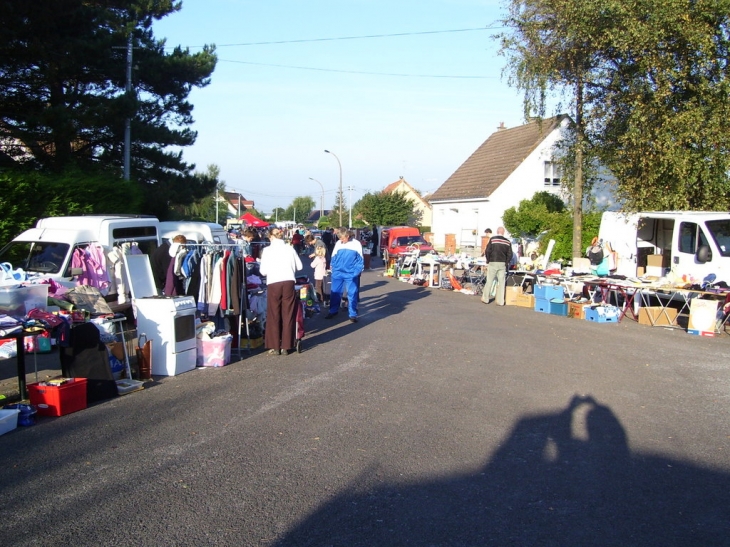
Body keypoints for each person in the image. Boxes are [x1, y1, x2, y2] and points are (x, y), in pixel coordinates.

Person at [259, 227, 302, 355]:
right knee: (288, 313)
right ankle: (286, 346)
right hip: (288, 281)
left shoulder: (267, 250)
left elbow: (263, 271)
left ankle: (275, 345)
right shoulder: (290, 249)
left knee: (274, 313)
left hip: (273, 282)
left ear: (271, 237)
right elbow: (299, 266)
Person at [325, 227, 364, 323]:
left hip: (350, 273)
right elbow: (334, 256)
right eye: (340, 239)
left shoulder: (356, 244)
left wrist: (356, 272)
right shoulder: (338, 243)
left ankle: (353, 314)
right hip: (337, 272)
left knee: (352, 293)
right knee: (335, 292)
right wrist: (332, 268)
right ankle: (333, 310)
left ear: (347, 236)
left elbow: (360, 260)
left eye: (342, 238)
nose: (341, 241)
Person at [482, 226, 513, 306]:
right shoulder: (507, 242)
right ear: (503, 232)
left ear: (497, 231)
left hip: (493, 262)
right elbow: (510, 254)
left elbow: (487, 251)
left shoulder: (493, 239)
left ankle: (485, 298)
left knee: (489, 281)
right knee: (501, 282)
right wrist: (506, 262)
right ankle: (500, 301)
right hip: (502, 263)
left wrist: (488, 260)